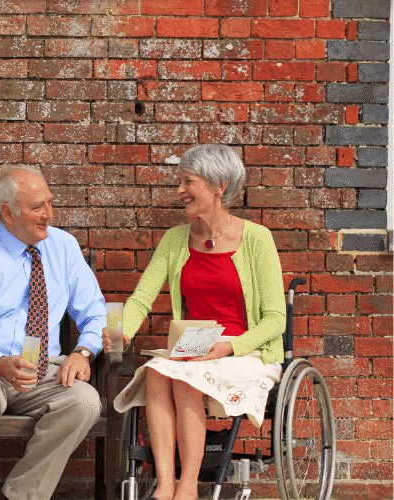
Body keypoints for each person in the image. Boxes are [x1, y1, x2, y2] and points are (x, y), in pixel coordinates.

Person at [108, 144, 286, 500]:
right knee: (158, 369)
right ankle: (166, 483)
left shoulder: (256, 239)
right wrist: (121, 331)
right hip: (197, 349)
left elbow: (275, 320)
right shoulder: (176, 240)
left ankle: (188, 486)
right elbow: (142, 298)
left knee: (181, 374)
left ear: (219, 186)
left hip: (244, 353)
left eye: (188, 181)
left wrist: (231, 345)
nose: (179, 191)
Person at [0, 165, 105, 500]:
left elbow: (96, 313)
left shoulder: (64, 247)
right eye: (37, 207)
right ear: (7, 212)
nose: (49, 214)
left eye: (49, 203)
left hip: (40, 374)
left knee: (85, 401)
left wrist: (83, 351)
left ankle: (18, 495)